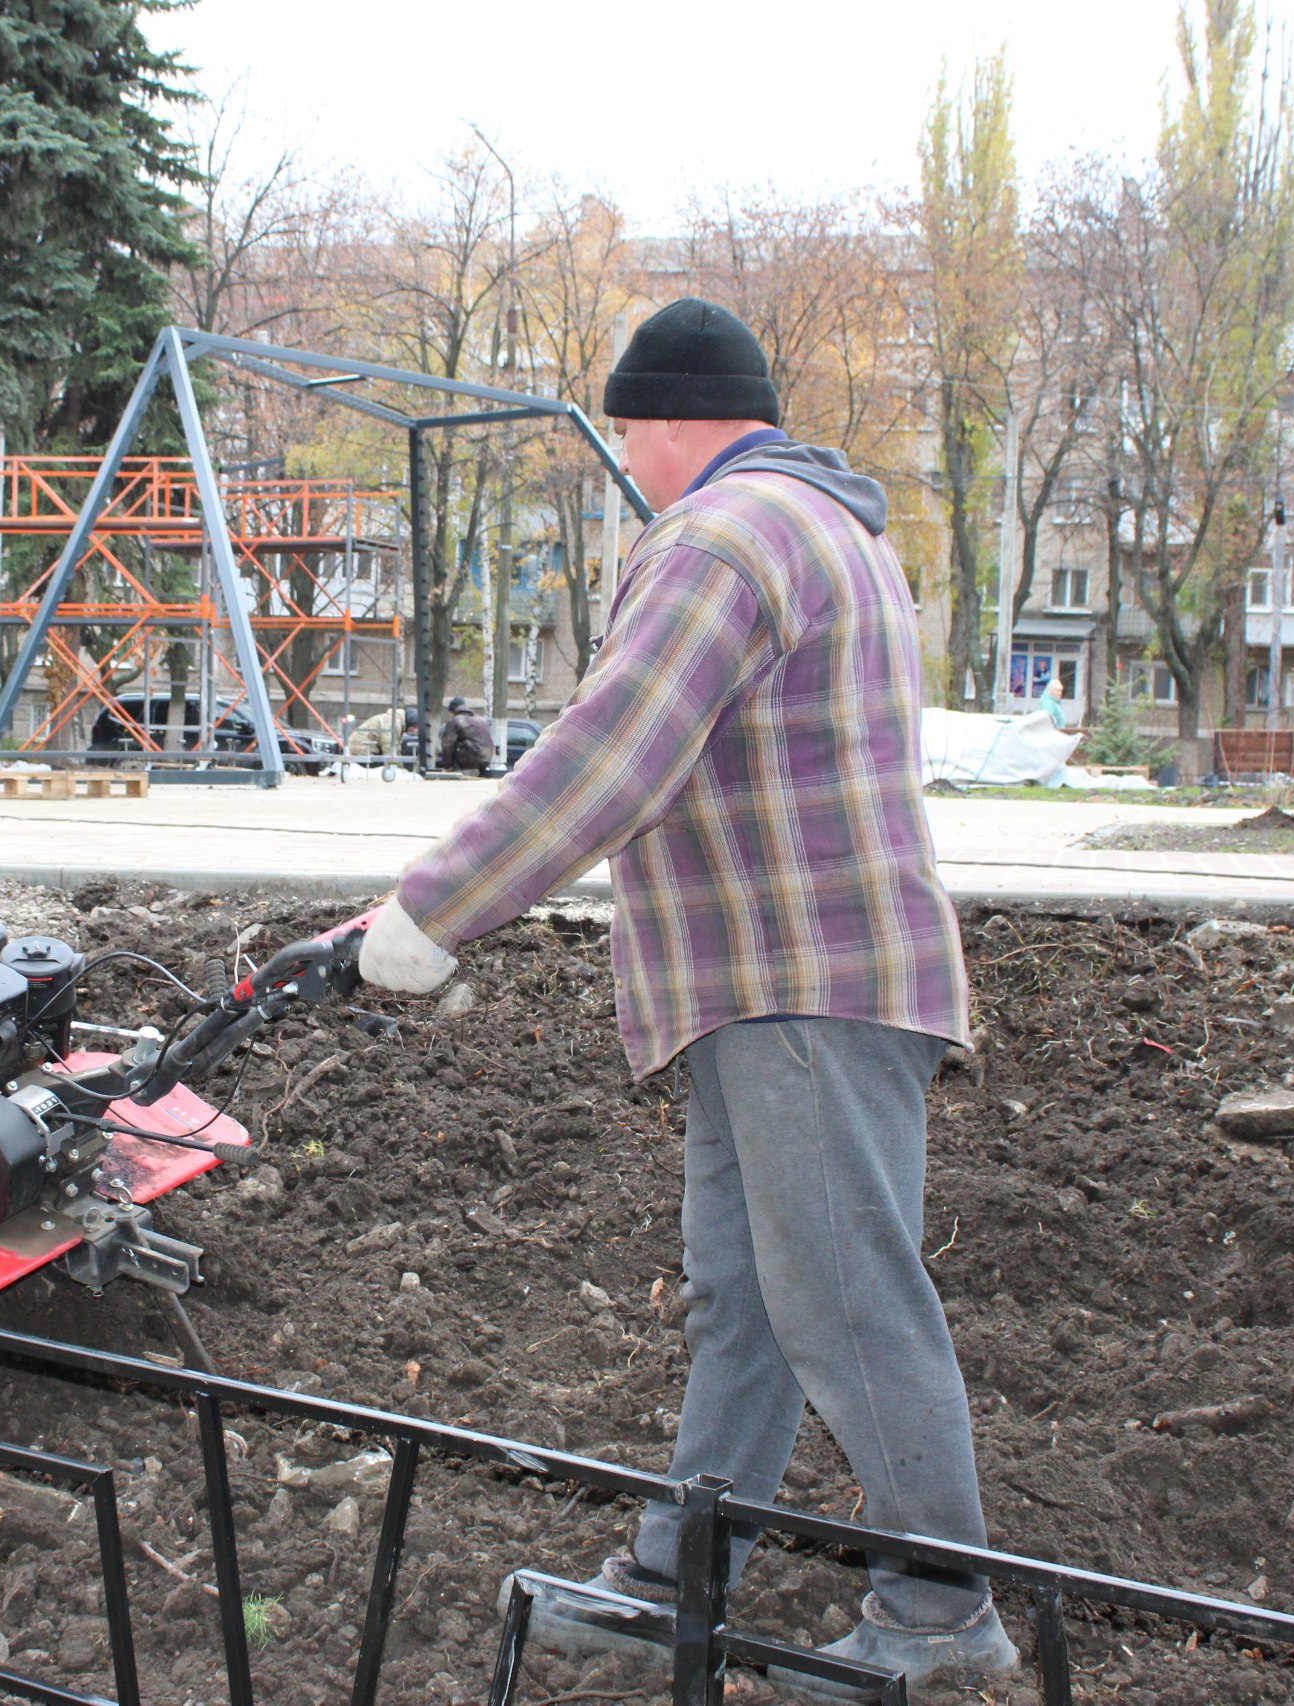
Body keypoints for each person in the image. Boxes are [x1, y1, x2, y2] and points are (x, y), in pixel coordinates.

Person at [357, 298, 1014, 1695]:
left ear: (656, 422)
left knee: (841, 1295)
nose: (628, 465)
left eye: (623, 436)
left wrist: (434, 908)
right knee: (754, 1298)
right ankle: (682, 1568)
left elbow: (613, 755)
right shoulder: (824, 524)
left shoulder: (719, 537)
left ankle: (940, 1609)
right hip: (769, 984)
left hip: (798, 982)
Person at [436, 695, 495, 773]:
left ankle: (457, 772)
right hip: (486, 760)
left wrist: (447, 766)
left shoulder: (456, 721)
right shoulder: (482, 720)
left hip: (469, 761)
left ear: (453, 712)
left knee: (453, 745)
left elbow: (447, 746)